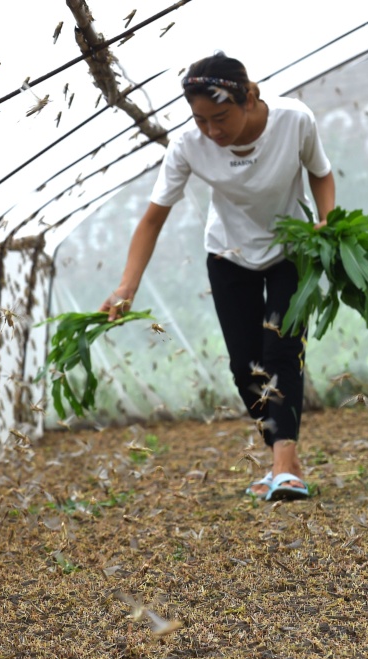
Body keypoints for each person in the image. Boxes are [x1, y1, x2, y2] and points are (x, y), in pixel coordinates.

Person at [100, 52, 335, 501]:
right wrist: (127, 286)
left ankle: (284, 467)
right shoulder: (189, 144)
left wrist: (328, 223)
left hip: (293, 249)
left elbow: (320, 174)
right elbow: (152, 219)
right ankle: (284, 460)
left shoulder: (294, 121)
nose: (212, 130)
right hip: (228, 255)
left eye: (220, 116)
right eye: (201, 119)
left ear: (250, 97)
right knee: (244, 365)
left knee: (280, 351)